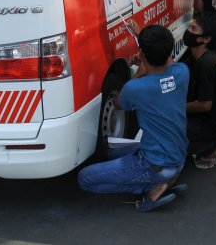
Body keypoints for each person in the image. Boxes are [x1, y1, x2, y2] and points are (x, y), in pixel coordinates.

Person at [78, 25, 189, 212]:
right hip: (178, 156)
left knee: (84, 178)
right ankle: (167, 178)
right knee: (111, 150)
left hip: (154, 164)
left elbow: (120, 104)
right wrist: (144, 42)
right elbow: (166, 59)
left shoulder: (136, 87)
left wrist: (139, 73)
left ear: (142, 55)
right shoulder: (182, 72)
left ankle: (153, 186)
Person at [184, 12, 216, 169]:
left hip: (211, 124)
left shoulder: (206, 64)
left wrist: (175, 109)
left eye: (193, 28)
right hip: (205, 119)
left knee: (168, 130)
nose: (188, 31)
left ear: (205, 39)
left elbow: (205, 105)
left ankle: (212, 146)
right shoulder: (197, 56)